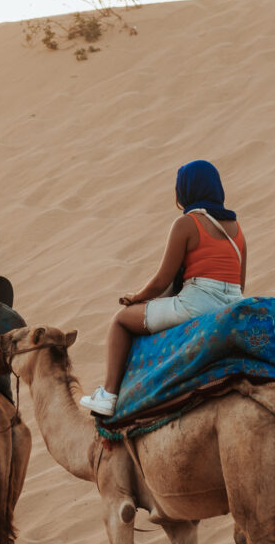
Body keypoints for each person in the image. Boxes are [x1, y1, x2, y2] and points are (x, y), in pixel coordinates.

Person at [79, 159, 247, 416]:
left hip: (195, 304)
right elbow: (239, 283)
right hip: (233, 306)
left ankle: (108, 395)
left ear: (186, 190)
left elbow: (161, 281)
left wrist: (136, 297)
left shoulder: (187, 224)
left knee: (121, 321)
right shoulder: (237, 231)